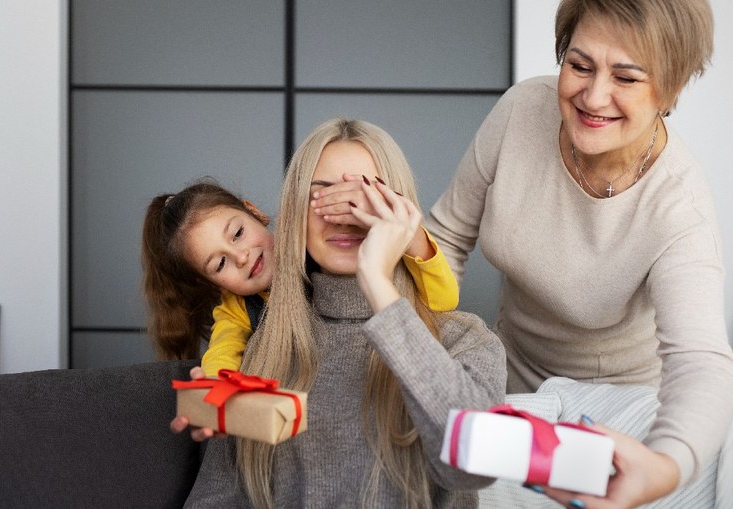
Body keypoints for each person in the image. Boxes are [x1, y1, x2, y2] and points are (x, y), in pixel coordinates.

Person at [327, 1, 733, 507]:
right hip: (511, 387)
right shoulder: (524, 110)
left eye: (626, 78)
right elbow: (447, 240)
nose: (594, 96)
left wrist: (667, 461)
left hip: (618, 409)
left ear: (671, 89)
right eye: (580, 65)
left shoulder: (680, 208)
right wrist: (422, 368)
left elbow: (702, 362)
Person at [178, 118, 507, 508]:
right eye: (324, 195)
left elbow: (474, 465)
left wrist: (376, 279)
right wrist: (213, 393)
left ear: (401, 212)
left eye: (366, 195)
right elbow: (216, 498)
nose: (345, 213)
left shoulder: (463, 340)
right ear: (295, 210)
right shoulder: (261, 351)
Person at [142, 179, 461, 377]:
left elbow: (443, 300)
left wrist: (412, 235)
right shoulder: (238, 308)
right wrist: (217, 386)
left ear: (254, 212)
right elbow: (222, 354)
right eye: (220, 263)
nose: (241, 257)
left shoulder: (323, 250)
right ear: (212, 283)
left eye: (238, 233)